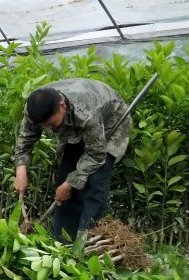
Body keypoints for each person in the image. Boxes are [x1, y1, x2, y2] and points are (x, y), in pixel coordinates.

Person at [13, 78, 131, 242]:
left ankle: (88, 241)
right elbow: (25, 140)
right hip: (76, 124)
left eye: (51, 124)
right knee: (66, 178)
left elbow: (96, 155)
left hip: (111, 122)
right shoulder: (34, 109)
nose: (49, 129)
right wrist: (21, 170)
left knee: (95, 181)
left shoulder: (87, 113)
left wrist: (70, 184)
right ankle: (62, 241)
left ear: (63, 106)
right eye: (44, 126)